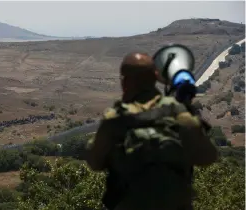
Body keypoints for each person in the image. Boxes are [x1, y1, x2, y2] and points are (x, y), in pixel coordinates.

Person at [85, 52, 218, 210]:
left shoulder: (115, 118)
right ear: (155, 77)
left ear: (125, 82)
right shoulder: (178, 112)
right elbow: (208, 157)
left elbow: (95, 162)